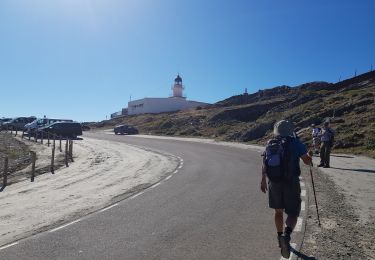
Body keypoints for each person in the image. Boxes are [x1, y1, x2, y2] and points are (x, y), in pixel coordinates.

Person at [260, 120, 312, 258]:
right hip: (291, 182)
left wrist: (263, 180)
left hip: (274, 182)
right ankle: (286, 235)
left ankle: (279, 237)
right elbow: (307, 161)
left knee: (278, 212)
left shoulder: (270, 143)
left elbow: (264, 162)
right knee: (293, 213)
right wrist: (310, 156)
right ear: (290, 130)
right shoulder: (296, 143)